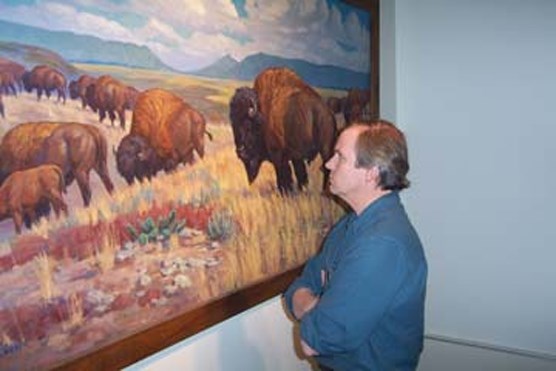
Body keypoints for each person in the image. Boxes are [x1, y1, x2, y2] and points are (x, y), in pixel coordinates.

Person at [283, 120, 427, 371]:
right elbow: (295, 288)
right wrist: (320, 308)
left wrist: (315, 307)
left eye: (339, 157)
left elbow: (313, 341)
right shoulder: (350, 225)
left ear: (371, 172)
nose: (327, 164)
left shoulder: (382, 245)